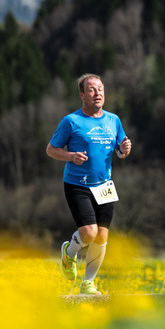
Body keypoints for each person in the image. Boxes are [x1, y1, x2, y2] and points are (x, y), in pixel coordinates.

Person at [47, 73, 132, 295]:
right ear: (82, 94)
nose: (98, 93)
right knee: (89, 232)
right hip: (78, 184)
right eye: (92, 89)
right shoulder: (71, 121)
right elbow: (51, 149)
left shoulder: (113, 120)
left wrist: (124, 150)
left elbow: (120, 151)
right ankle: (69, 253)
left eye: (101, 89)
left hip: (104, 185)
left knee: (102, 235)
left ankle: (88, 284)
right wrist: (71, 156)